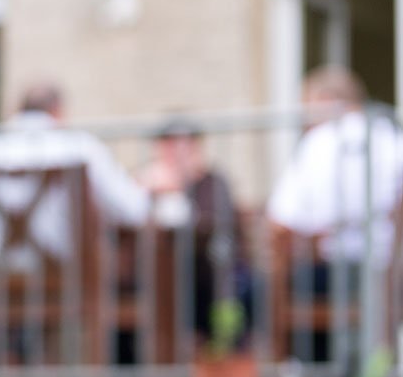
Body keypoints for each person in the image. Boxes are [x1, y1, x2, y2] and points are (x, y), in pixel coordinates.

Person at [0, 82, 151, 268]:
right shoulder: (80, 147)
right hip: (68, 281)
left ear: (18, 110)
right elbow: (133, 210)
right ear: (57, 111)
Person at [267, 66, 403, 264]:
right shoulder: (392, 138)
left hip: (327, 267)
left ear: (326, 101)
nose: (305, 119)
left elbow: (281, 218)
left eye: (307, 106)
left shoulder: (317, 142)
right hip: (387, 269)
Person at [143, 116, 252, 342]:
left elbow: (211, 226)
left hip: (208, 273)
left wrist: (177, 191)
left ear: (196, 148)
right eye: (167, 144)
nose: (174, 152)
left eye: (181, 144)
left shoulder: (212, 182)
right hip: (158, 274)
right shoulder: (147, 183)